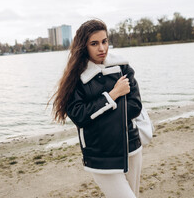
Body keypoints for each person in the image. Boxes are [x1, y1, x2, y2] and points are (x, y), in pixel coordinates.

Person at [51, 19, 143, 198]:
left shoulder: (123, 67)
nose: (102, 48)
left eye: (104, 41)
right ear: (83, 46)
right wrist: (113, 94)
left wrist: (98, 114)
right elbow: (79, 116)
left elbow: (135, 106)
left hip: (131, 147)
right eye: (94, 43)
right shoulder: (75, 79)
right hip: (101, 155)